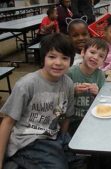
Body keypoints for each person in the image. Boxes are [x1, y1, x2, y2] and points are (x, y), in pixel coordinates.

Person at [0, 33, 75, 169]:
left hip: (53, 136)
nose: (58, 62)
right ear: (43, 58)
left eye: (64, 58)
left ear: (71, 61)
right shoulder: (27, 84)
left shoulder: (68, 83)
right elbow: (7, 122)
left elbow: (67, 117)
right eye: (52, 57)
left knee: (79, 159)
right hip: (28, 141)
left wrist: (63, 141)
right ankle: (14, 161)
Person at [67, 38, 108, 135]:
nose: (96, 57)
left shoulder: (100, 75)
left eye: (101, 56)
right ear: (83, 52)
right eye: (92, 52)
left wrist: (98, 93)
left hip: (94, 117)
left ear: (103, 61)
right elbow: (60, 97)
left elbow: (104, 99)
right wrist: (73, 91)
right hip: (74, 120)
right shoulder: (70, 72)